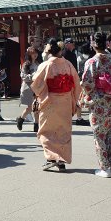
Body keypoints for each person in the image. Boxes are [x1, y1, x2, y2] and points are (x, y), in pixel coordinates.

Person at [31, 38, 81, 172]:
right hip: (65, 101)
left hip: (50, 101)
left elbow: (36, 83)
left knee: (47, 130)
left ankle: (51, 158)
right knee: (63, 131)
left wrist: (42, 95)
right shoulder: (68, 65)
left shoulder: (46, 65)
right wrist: (74, 100)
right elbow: (76, 85)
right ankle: (61, 161)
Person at [81, 32, 111, 178]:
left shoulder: (92, 62)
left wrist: (89, 98)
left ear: (93, 44)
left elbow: (87, 83)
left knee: (99, 134)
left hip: (99, 102)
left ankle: (104, 167)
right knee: (107, 131)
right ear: (106, 44)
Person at [16, 47, 40, 132]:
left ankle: (36, 125)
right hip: (28, 88)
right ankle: (21, 119)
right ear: (29, 54)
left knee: (36, 107)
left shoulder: (38, 63)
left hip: (37, 87)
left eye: (36, 53)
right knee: (31, 107)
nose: (35, 55)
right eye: (33, 53)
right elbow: (23, 76)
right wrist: (33, 75)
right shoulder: (26, 64)